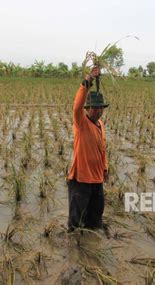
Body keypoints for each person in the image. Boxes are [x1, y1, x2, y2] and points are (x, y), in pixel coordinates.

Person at [67, 66, 109, 231]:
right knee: (76, 220)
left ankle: (92, 239)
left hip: (97, 179)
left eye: (101, 108)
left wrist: (105, 168)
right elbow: (76, 106)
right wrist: (89, 80)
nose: (99, 111)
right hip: (81, 180)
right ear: (88, 108)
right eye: (95, 108)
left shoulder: (100, 125)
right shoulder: (81, 123)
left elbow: (102, 149)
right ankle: (75, 244)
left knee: (96, 214)